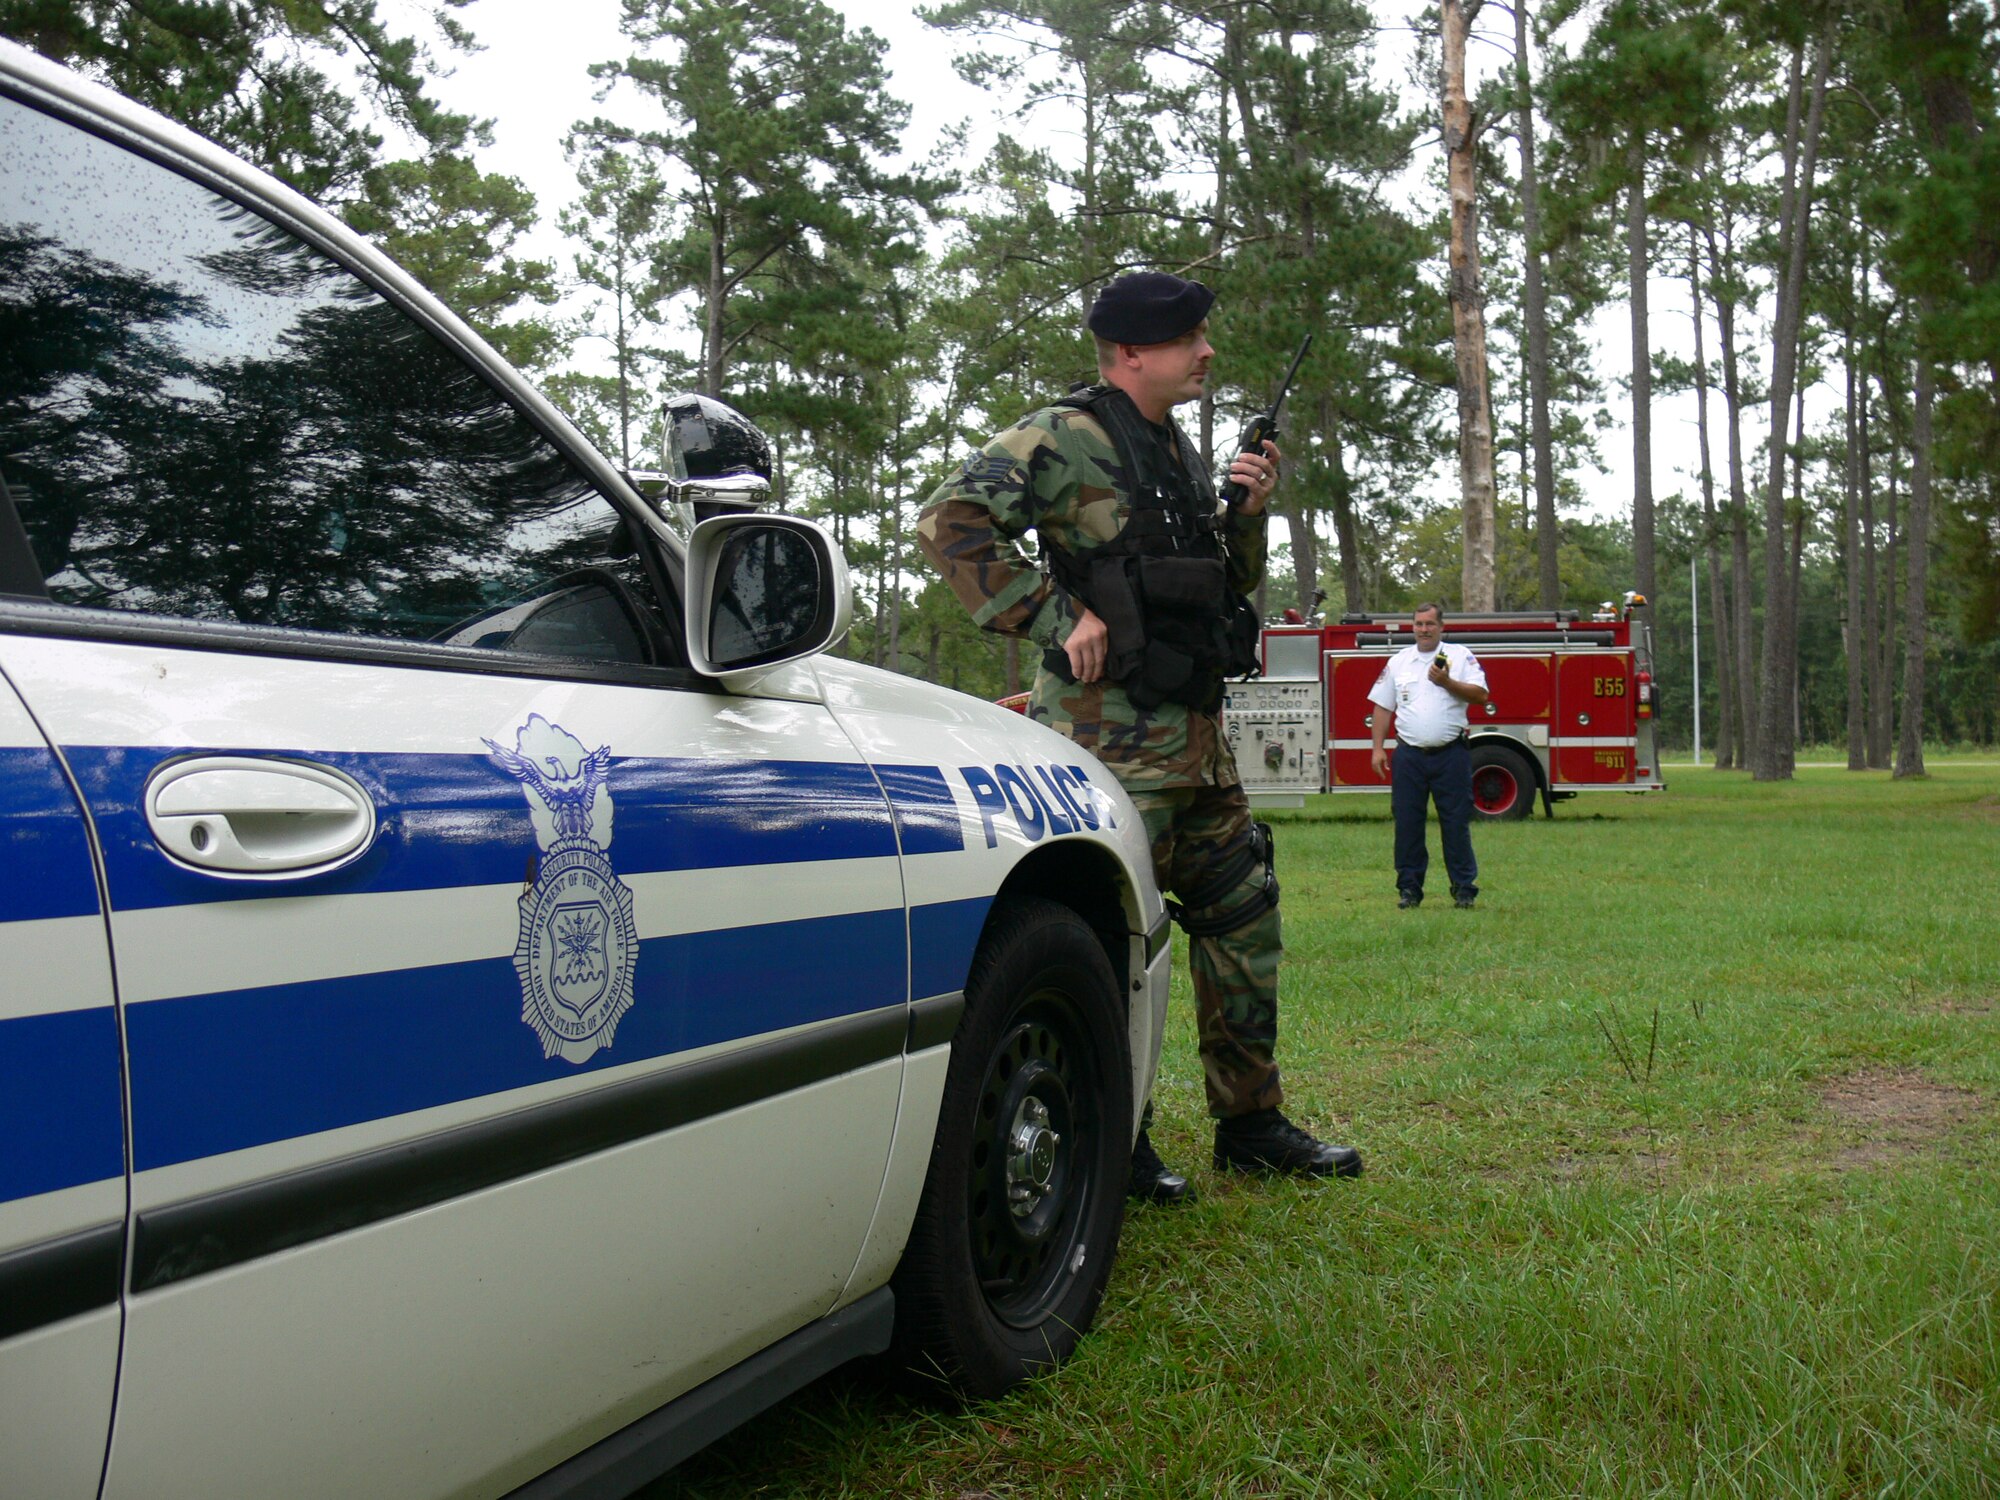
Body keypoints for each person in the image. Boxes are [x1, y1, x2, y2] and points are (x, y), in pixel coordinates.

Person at [916, 270, 1362, 1204]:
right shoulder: (1063, 436)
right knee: (1120, 947)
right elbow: (950, 522)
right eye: (1190, 339)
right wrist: (1053, 617)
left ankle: (1251, 1123)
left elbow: (1219, 584)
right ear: (1131, 353)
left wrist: (1246, 508)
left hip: (1197, 740)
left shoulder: (1174, 449)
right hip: (1108, 746)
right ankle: (1117, 1144)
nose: (1207, 352)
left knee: (1244, 918)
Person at [1368, 603, 1490, 909]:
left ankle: (1463, 888)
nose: (1424, 629)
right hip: (1409, 756)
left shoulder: (1459, 656)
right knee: (1408, 823)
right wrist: (1378, 748)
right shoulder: (1399, 662)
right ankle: (1409, 890)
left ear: (1441, 627)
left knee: (1456, 823)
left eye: (1430, 624)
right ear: (1412, 627)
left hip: (1451, 754)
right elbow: (1383, 706)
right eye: (1419, 624)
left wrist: (1447, 681)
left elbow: (1481, 695)